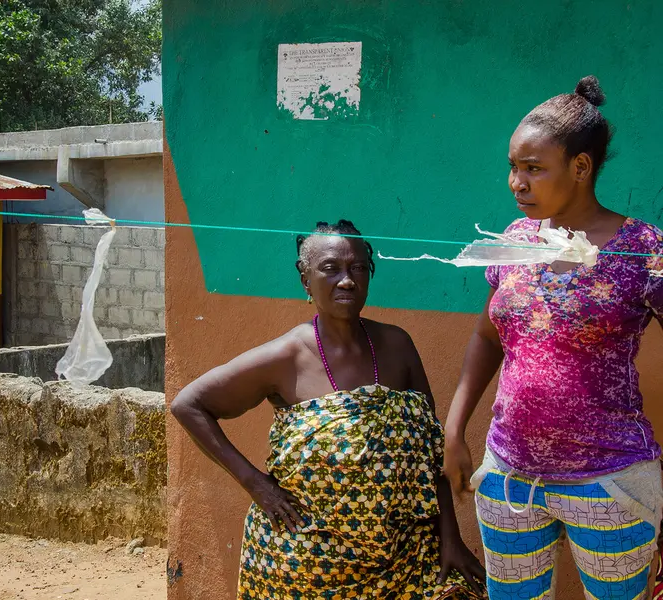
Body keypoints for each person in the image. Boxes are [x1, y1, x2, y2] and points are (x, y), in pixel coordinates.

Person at [172, 220, 485, 599]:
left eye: (358, 268)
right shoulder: (285, 357)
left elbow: (431, 451)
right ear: (305, 280)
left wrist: (449, 539)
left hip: (401, 557)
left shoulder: (398, 346)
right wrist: (255, 483)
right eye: (330, 268)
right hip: (308, 561)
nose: (347, 280)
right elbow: (188, 405)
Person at [443, 75, 663, 600]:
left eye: (533, 168)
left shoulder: (642, 249)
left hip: (610, 482)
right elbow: (488, 336)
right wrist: (454, 430)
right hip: (509, 480)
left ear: (581, 167)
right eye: (513, 167)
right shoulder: (517, 239)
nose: (517, 183)